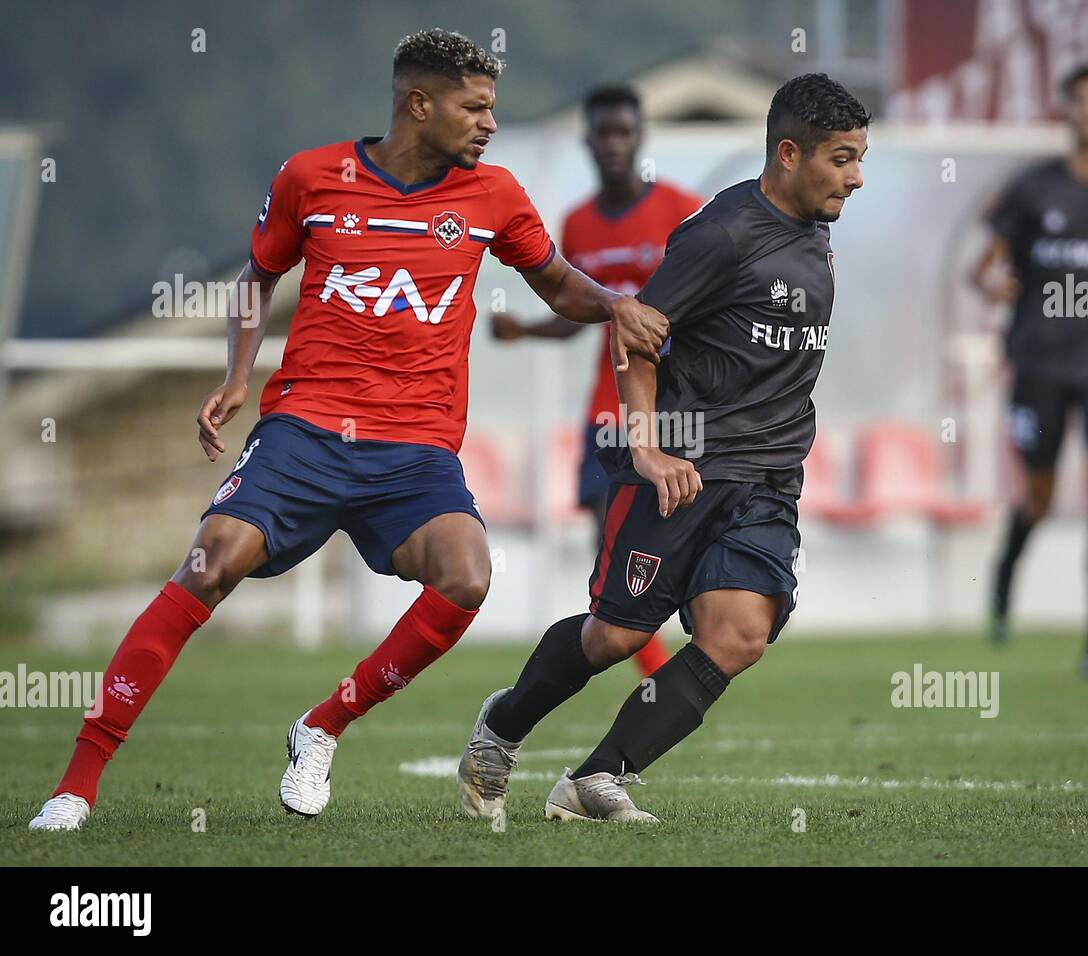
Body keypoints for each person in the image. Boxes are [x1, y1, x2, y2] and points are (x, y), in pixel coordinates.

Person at [28, 28, 667, 831]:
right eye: (474, 107)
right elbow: (259, 275)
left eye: (493, 108)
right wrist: (235, 378)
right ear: (418, 104)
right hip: (305, 430)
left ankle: (324, 724)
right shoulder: (311, 176)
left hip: (415, 450)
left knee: (467, 576)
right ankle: (76, 783)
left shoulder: (493, 196)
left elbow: (557, 284)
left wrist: (615, 304)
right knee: (209, 561)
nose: (489, 124)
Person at [457, 73, 869, 823]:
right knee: (616, 635)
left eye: (860, 158)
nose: (856, 176)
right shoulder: (721, 234)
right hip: (680, 467)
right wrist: (647, 449)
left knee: (740, 633)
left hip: (766, 479)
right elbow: (635, 329)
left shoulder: (818, 233)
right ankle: (501, 729)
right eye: (842, 158)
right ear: (788, 153)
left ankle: (596, 778)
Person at [490, 83, 704, 680]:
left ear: (640, 137)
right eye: (603, 132)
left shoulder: (685, 210)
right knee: (608, 541)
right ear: (588, 139)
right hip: (606, 411)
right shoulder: (578, 225)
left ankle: (681, 664)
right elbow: (578, 310)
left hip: (675, 407)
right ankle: (654, 674)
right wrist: (526, 331)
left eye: (624, 132)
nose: (614, 143)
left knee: (678, 533)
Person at [972, 64, 1088, 679]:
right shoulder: (1032, 190)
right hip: (1040, 361)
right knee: (1041, 498)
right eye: (1080, 102)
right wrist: (999, 288)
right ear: (1066, 113)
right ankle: (1002, 583)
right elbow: (983, 270)